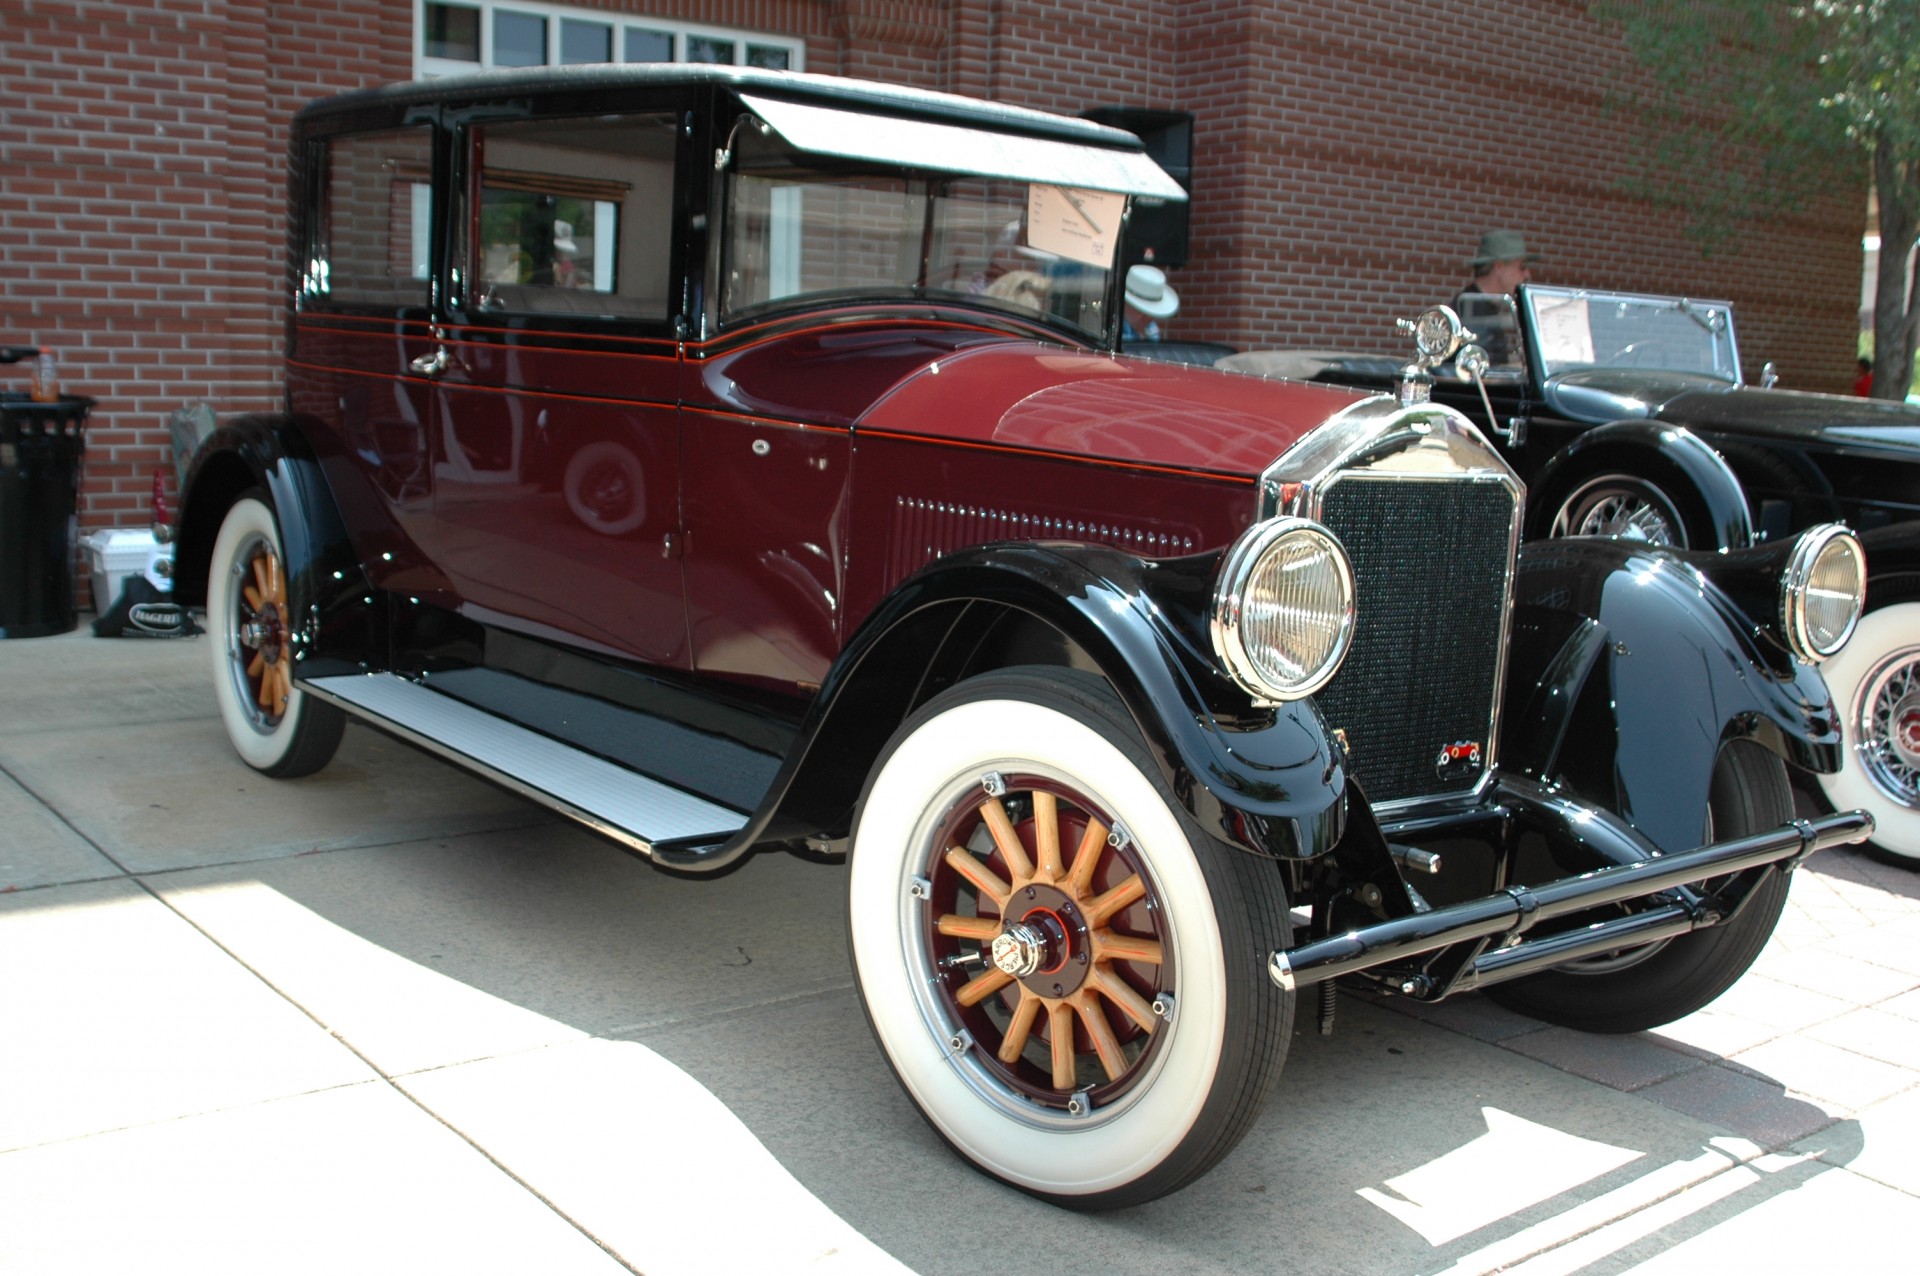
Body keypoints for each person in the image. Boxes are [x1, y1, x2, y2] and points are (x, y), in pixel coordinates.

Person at [1123, 264, 1179, 343]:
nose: (1146, 318)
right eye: (1139, 310)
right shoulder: (1112, 330)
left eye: (1151, 313)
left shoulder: (1152, 329)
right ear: (1125, 303)